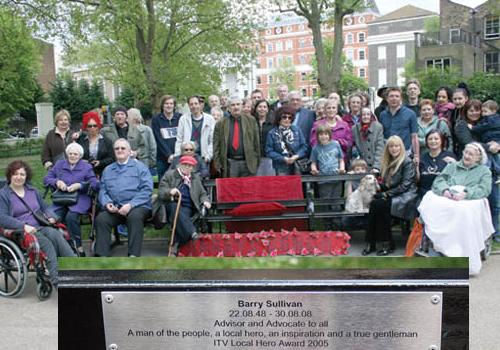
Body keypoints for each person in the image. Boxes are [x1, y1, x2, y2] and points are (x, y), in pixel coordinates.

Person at [418, 142, 493, 275]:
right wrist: (445, 190)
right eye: (466, 152)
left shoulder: (484, 171)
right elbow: (439, 181)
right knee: (431, 201)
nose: (467, 156)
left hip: (469, 200)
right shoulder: (452, 166)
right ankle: (437, 246)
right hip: (449, 197)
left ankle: (461, 252)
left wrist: (466, 193)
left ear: (478, 158)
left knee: (463, 211)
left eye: (471, 154)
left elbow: (484, 189)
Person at [0, 160, 76, 287]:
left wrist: (52, 216)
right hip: (22, 231)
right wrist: (23, 226)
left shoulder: (32, 191)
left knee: (56, 235)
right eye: (15, 174)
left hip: (40, 226)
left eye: (22, 174)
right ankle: (58, 282)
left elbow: (45, 207)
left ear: (26, 176)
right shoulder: (4, 195)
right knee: (47, 245)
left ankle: (77, 269)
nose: (19, 177)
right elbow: (2, 217)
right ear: (10, 175)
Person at [94, 139, 153, 257]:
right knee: (102, 219)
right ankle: (101, 256)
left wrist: (130, 205)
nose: (120, 150)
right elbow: (103, 190)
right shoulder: (108, 169)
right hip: (116, 208)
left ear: (129, 151)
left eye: (123, 148)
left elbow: (147, 190)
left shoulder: (140, 167)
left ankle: (133, 255)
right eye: (117, 148)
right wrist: (107, 204)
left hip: (138, 206)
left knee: (134, 217)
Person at [362, 136, 418, 256]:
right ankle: (371, 242)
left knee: (381, 205)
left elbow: (405, 186)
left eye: (396, 146)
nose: (394, 149)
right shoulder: (388, 161)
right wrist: (378, 186)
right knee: (374, 204)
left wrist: (385, 194)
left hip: (406, 195)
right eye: (391, 146)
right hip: (395, 192)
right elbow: (388, 184)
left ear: (401, 147)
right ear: (388, 148)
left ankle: (386, 242)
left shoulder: (407, 162)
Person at [43, 143, 99, 256]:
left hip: (79, 199)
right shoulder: (60, 164)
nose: (72, 156)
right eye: (70, 154)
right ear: (67, 154)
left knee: (71, 217)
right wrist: (56, 182)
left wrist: (80, 185)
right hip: (61, 199)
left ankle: (78, 248)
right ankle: (62, 246)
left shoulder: (86, 167)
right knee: (51, 218)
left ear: (80, 156)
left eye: (75, 154)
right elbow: (47, 178)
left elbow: (95, 184)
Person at [158, 155, 211, 256]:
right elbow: (161, 192)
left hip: (188, 207)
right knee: (175, 209)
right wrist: (170, 191)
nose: (188, 167)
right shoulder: (170, 175)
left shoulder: (195, 178)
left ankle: (175, 246)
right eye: (185, 165)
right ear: (180, 164)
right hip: (172, 204)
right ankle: (192, 232)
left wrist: (205, 201)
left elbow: (202, 193)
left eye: (190, 166)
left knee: (180, 217)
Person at [213, 96, 260, 178]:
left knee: (247, 189)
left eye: (238, 104)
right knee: (232, 189)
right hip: (230, 163)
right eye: (233, 105)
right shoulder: (221, 124)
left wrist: (256, 161)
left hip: (248, 163)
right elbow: (216, 146)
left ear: (242, 106)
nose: (236, 107)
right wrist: (218, 164)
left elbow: (256, 143)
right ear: (229, 108)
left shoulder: (251, 120)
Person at [378, 86, 420, 166]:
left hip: (405, 153)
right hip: (388, 154)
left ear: (401, 98)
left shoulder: (410, 114)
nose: (394, 98)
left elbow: (414, 136)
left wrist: (416, 156)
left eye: (397, 96)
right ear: (387, 98)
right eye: (391, 96)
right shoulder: (382, 115)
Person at [265, 105, 309, 175]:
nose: (287, 119)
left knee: (296, 185)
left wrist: (296, 156)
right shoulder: (272, 133)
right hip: (280, 166)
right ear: (279, 118)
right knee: (283, 185)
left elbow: (304, 146)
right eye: (284, 117)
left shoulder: (297, 130)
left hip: (296, 165)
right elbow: (269, 151)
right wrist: (283, 158)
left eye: (290, 117)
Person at [310, 125, 345, 210]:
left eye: (326, 134)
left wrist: (342, 168)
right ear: (317, 136)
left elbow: (341, 159)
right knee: (325, 200)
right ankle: (327, 220)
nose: (323, 136)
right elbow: (313, 162)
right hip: (323, 179)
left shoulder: (336, 144)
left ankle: (337, 219)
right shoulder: (316, 148)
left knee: (336, 199)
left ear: (329, 135)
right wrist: (314, 169)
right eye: (321, 134)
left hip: (336, 177)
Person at [175, 96, 215, 165]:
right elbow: (179, 140)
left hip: (203, 157)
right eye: (191, 104)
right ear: (189, 106)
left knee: (204, 175)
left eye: (196, 103)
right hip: (186, 157)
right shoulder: (183, 119)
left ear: (200, 104)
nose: (194, 106)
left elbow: (212, 141)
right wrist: (177, 156)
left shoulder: (210, 119)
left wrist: (208, 156)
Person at [418, 129, 456, 198]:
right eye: (430, 139)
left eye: (436, 139)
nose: (433, 141)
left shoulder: (450, 157)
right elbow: (418, 180)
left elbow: (455, 177)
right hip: (424, 194)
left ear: (441, 141)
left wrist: (454, 164)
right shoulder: (422, 158)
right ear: (426, 141)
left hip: (443, 194)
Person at [151, 95, 182, 180]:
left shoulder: (180, 118)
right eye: (166, 103)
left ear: (174, 105)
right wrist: (168, 155)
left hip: (178, 155)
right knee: (163, 181)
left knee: (178, 181)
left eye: (171, 103)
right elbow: (158, 139)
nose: (169, 106)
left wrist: (176, 154)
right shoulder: (156, 119)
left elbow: (181, 137)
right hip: (162, 158)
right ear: (162, 105)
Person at [77, 111, 114, 176]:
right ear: (86, 127)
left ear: (98, 126)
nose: (92, 128)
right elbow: (75, 155)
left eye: (95, 125)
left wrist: (100, 162)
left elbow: (112, 158)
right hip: (84, 173)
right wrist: (82, 161)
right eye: (89, 126)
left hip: (102, 173)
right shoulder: (81, 140)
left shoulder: (106, 141)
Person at [351, 107, 384, 173]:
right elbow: (353, 148)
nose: (366, 117)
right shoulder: (355, 128)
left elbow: (380, 147)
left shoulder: (378, 127)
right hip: (362, 166)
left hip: (376, 163)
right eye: (363, 115)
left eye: (368, 114)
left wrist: (377, 166)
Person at [128, 108, 157, 173]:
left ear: (134, 117)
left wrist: (152, 162)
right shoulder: (127, 130)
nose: (127, 119)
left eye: (128, 116)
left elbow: (153, 147)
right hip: (130, 163)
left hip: (144, 162)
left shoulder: (147, 129)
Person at [253, 100, 275, 176]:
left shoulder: (273, 123)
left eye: (264, 107)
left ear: (268, 109)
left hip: (269, 157)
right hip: (255, 158)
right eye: (260, 107)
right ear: (256, 108)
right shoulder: (251, 122)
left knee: (269, 182)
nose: (262, 109)